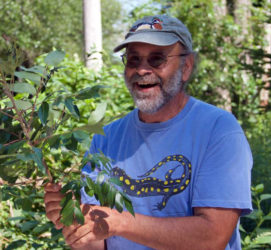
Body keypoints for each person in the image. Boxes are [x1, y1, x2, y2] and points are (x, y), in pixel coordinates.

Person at [44, 15, 253, 250]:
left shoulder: (218, 129)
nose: (142, 70)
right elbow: (98, 243)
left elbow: (212, 237)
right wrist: (74, 219)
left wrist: (120, 222)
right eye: (133, 60)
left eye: (157, 59)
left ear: (186, 66)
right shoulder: (107, 137)